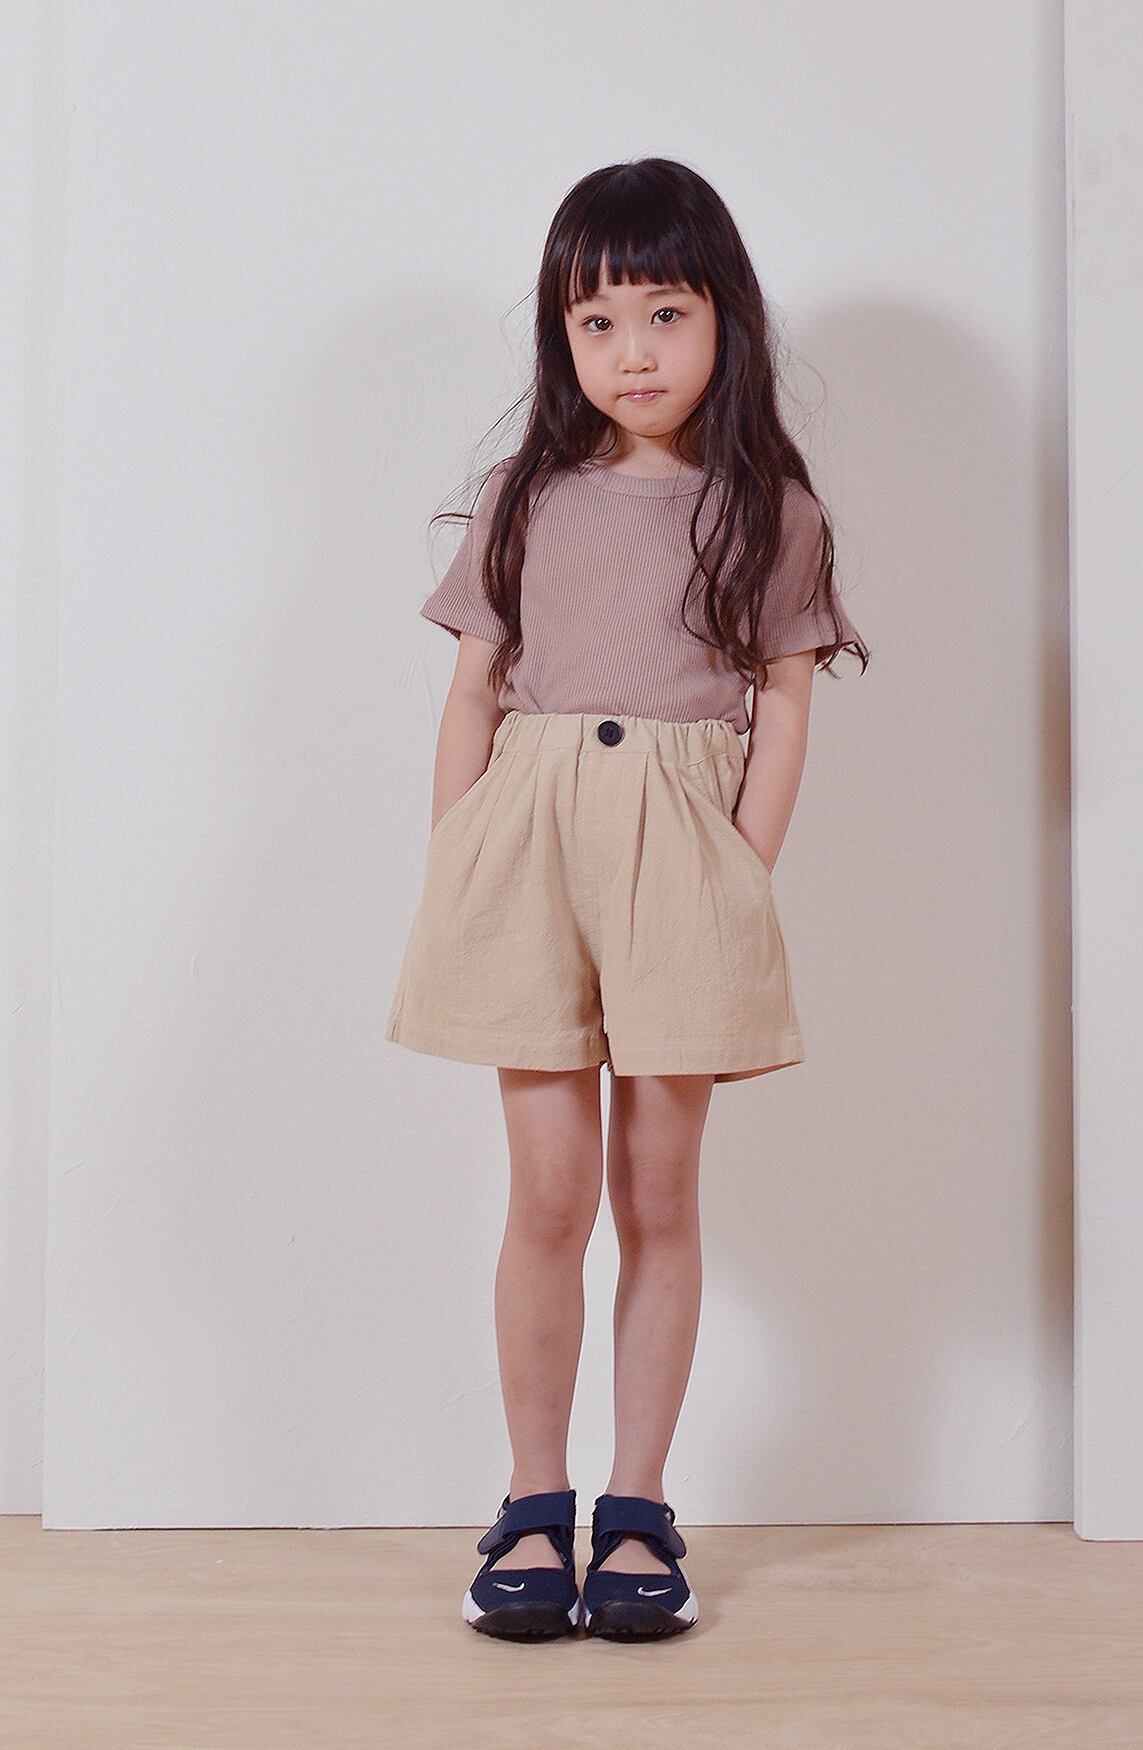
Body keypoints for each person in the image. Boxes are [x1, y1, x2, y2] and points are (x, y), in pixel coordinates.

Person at [384, 157, 869, 1642]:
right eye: (598, 321)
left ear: (726, 320)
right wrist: (459, 861)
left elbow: (783, 708)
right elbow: (473, 695)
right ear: (562, 336)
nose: (635, 351)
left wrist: (737, 870)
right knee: (548, 1192)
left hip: (685, 851)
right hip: (525, 842)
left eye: (666, 313)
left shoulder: (770, 512)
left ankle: (638, 1504)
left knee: (660, 1189)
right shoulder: (524, 499)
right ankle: (533, 1498)